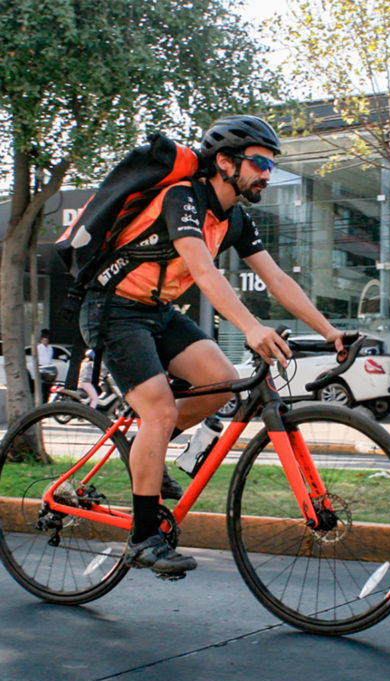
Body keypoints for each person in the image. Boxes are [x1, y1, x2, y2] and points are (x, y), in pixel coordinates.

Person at [78, 115, 344, 577]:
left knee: (222, 382)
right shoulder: (181, 198)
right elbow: (204, 271)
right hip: (112, 310)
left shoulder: (234, 216)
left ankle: (150, 453)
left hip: (157, 312)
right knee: (159, 409)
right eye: (259, 162)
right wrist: (250, 327)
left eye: (270, 165)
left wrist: (330, 332)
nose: (266, 173)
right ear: (224, 162)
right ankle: (144, 539)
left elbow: (277, 279)